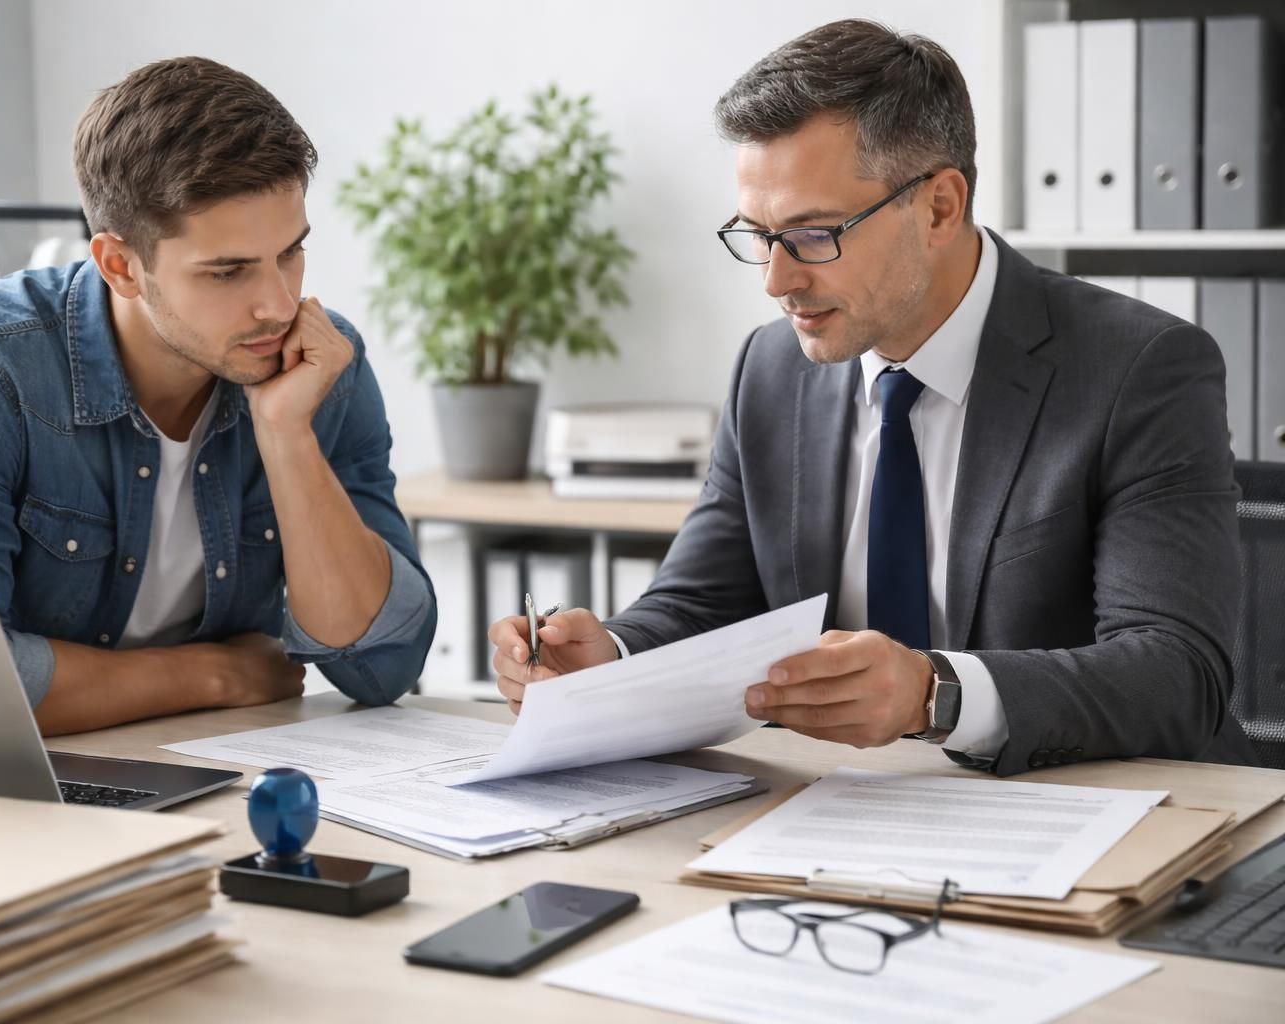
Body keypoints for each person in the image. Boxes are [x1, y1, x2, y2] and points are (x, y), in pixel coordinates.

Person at [488, 19, 1254, 775]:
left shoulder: (1141, 369)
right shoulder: (770, 369)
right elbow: (701, 604)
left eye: (815, 234)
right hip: (850, 815)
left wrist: (936, 695)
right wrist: (610, 657)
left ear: (940, 208)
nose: (776, 281)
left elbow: (1177, 672)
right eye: (757, 235)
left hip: (1109, 815)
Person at [0, 57, 435, 735]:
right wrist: (209, 674)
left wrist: (286, 435)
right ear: (120, 265)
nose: (279, 304)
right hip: (17, 798)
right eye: (228, 271)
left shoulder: (319, 363)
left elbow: (381, 666)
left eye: (291, 253)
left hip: (217, 768)